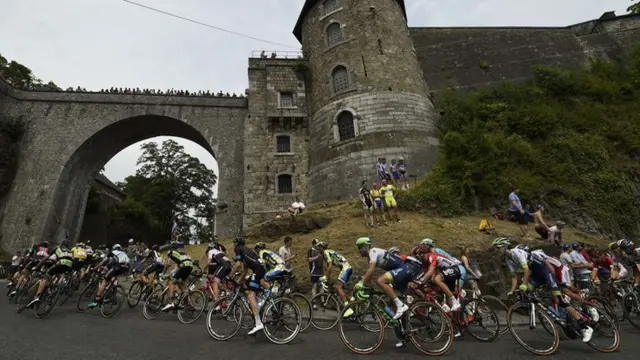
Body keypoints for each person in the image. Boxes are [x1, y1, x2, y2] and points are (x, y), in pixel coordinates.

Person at [491, 237, 594, 342]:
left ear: (505, 247)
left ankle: (585, 327)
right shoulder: (508, 259)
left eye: (498, 248)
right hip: (536, 275)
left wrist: (523, 285)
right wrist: (512, 290)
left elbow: (526, 271)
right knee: (528, 293)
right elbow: (514, 277)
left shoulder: (516, 252)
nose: (497, 251)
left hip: (544, 271)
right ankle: (551, 311)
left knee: (559, 299)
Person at [354, 237, 410, 320]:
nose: (358, 251)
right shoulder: (370, 258)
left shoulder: (373, 252)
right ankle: (403, 325)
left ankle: (400, 305)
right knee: (393, 296)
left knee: (380, 281)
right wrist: (369, 287)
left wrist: (361, 283)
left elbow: (371, 269)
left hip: (403, 268)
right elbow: (369, 275)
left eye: (359, 248)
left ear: (364, 247)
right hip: (399, 270)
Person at [231, 236, 269, 335]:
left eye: (233, 244)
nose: (233, 246)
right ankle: (258, 305)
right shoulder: (246, 250)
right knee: (247, 287)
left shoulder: (238, 249)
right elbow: (245, 271)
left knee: (250, 294)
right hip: (261, 268)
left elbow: (238, 264)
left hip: (258, 269)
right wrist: (239, 281)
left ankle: (258, 322)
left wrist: (229, 276)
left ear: (236, 244)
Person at [412, 244, 462, 311]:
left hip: (454, 268)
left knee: (437, 279)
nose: (417, 258)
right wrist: (418, 282)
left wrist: (420, 281)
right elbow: (425, 274)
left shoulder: (431, 256)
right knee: (433, 282)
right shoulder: (424, 262)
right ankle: (451, 319)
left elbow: (430, 271)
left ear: (422, 254)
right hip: (446, 271)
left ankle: (455, 301)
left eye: (417, 256)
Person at [27, 240, 74, 308]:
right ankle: (54, 290)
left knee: (45, 278)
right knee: (58, 275)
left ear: (61, 244)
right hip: (69, 265)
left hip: (61, 262)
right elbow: (71, 261)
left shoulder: (58, 248)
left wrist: (37, 267)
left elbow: (46, 258)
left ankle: (37, 297)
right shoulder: (70, 251)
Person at [87, 244, 131, 309]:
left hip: (118, 265)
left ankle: (96, 300)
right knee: (114, 277)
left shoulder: (112, 253)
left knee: (105, 280)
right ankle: (113, 292)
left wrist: (95, 268)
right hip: (126, 267)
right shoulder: (123, 253)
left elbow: (103, 262)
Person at [316, 241, 352, 311]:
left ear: (321, 248)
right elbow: (328, 270)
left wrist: (325, 278)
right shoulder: (328, 252)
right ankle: (351, 299)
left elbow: (330, 267)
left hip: (346, 268)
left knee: (337, 286)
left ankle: (348, 308)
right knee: (338, 287)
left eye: (318, 248)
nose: (318, 250)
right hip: (346, 268)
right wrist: (328, 280)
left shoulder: (326, 252)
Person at [160, 242, 194, 311]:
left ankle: (171, 302)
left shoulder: (170, 252)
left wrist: (163, 273)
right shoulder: (183, 253)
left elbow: (168, 263)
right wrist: (173, 272)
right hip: (190, 266)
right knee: (180, 283)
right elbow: (178, 266)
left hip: (184, 265)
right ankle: (188, 303)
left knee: (171, 282)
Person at [307, 239, 324, 308]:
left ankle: (323, 302)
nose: (318, 245)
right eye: (316, 244)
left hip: (321, 271)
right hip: (314, 271)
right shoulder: (310, 250)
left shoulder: (320, 250)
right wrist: (317, 257)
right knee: (314, 286)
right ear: (313, 244)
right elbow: (309, 260)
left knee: (322, 286)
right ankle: (314, 302)